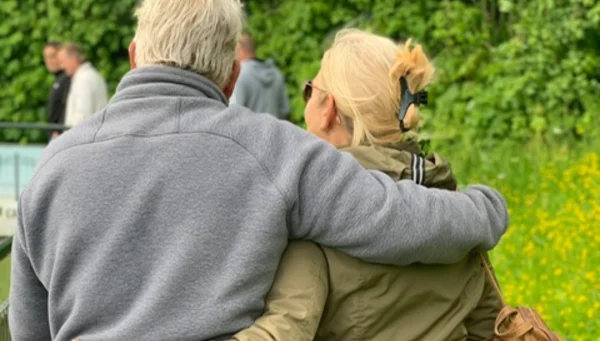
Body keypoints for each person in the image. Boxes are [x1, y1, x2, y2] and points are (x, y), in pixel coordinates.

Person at [9, 1, 508, 341]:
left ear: (134, 57)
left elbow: (29, 331)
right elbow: (400, 220)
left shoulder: (49, 171)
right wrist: (486, 207)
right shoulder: (276, 152)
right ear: (232, 76)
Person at [231, 29, 503, 341]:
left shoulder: (317, 218)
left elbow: (284, 331)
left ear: (327, 109)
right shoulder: (452, 206)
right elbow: (490, 324)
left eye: (310, 91)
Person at [230, 33, 290, 120]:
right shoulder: (276, 74)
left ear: (240, 50)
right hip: (275, 132)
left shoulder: (239, 75)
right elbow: (285, 111)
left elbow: (234, 114)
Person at [56, 42, 108, 127]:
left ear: (74, 59)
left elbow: (82, 117)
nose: (61, 67)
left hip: (85, 137)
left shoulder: (84, 80)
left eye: (63, 62)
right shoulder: (92, 75)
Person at [43, 42, 71, 139]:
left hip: (61, 135)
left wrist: (57, 132)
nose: (49, 61)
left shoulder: (68, 79)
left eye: (52, 56)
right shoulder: (59, 80)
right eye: (46, 57)